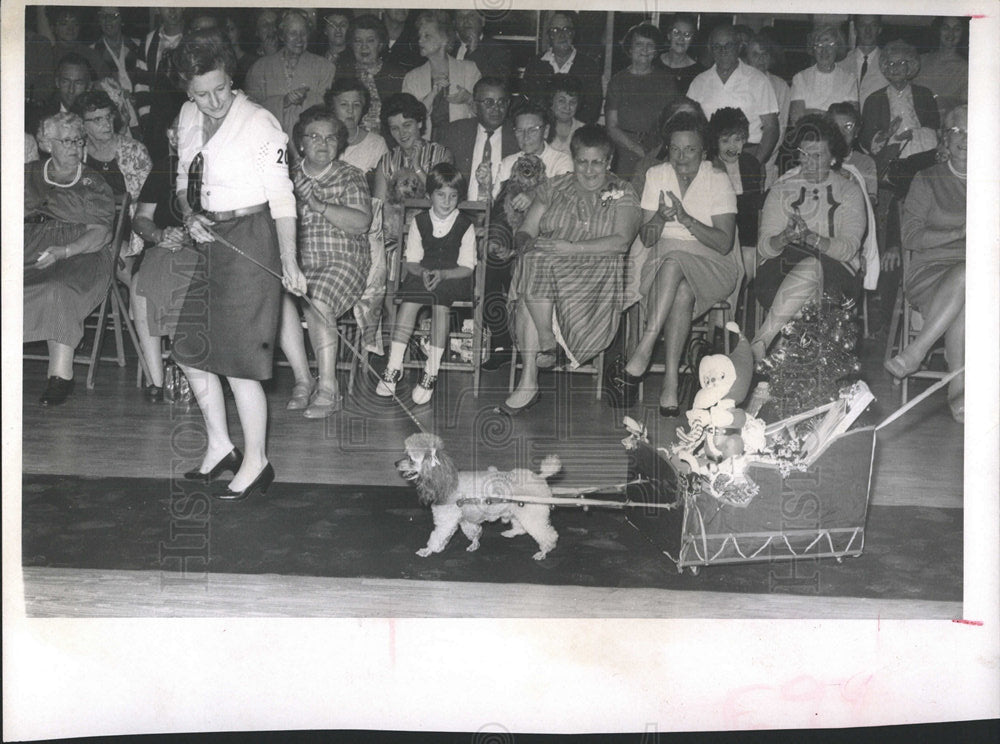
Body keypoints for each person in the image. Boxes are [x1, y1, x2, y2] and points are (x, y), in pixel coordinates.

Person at [171, 30, 307, 501]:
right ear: (188, 92)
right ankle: (220, 445)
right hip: (210, 237)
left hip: (253, 237)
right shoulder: (188, 115)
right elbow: (184, 182)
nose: (212, 102)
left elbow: (283, 195)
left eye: (221, 90)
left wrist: (290, 259)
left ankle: (257, 460)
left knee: (238, 362)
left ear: (233, 79)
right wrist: (190, 217)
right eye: (200, 93)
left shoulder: (261, 123)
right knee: (190, 349)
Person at [503, 125, 641, 413]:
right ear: (573, 159)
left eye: (597, 162)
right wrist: (525, 243)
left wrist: (570, 248)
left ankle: (538, 358)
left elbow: (621, 241)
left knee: (534, 272)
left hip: (595, 275)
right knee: (533, 260)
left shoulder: (621, 191)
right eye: (582, 162)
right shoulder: (554, 187)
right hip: (548, 267)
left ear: (609, 161)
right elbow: (527, 230)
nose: (589, 170)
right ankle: (541, 350)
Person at [607, 112, 738, 415]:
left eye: (690, 149)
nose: (681, 157)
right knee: (679, 290)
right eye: (675, 149)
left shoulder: (718, 180)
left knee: (675, 260)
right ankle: (670, 385)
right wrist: (658, 219)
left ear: (704, 152)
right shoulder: (657, 175)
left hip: (712, 263)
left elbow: (724, 243)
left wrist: (686, 219)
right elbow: (648, 238)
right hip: (663, 261)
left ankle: (645, 346)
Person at [280, 107, 373, 418]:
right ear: (301, 143)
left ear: (340, 143)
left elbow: (361, 223)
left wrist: (317, 204)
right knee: (274, 299)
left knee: (317, 296)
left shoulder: (351, 176)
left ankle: (329, 388)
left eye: (331, 138)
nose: (323, 143)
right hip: (298, 262)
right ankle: (303, 380)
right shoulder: (285, 179)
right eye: (315, 137)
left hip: (343, 262)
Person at [751, 115, 867, 362]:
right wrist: (783, 237)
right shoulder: (782, 189)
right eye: (805, 154)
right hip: (780, 271)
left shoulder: (849, 191)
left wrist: (812, 239)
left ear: (834, 158)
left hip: (837, 273)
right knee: (810, 293)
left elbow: (848, 249)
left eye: (818, 156)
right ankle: (805, 375)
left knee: (814, 269)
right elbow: (764, 248)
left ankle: (763, 342)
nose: (809, 162)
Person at [24, 112, 115, 406]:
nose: (75, 147)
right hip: (28, 247)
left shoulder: (93, 182)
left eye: (78, 140)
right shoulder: (27, 174)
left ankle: (60, 375)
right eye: (67, 141)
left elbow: (101, 234)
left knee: (57, 287)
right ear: (47, 143)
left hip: (80, 252)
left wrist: (65, 251)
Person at [885, 106, 967, 423]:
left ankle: (917, 353)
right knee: (967, 277)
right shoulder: (927, 179)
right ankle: (956, 390)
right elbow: (911, 236)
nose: (964, 139)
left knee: (970, 288)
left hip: (982, 277)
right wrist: (958, 233)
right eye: (957, 131)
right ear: (946, 137)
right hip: (930, 271)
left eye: (972, 132)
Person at [483, 101, 574, 370]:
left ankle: (535, 345)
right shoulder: (508, 162)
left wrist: (534, 195)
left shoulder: (561, 159)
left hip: (545, 234)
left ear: (545, 130)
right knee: (491, 263)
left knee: (525, 268)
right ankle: (500, 342)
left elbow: (564, 198)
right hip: (510, 231)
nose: (525, 137)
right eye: (520, 132)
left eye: (532, 130)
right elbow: (496, 205)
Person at [375, 163, 475, 406]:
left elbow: (467, 267)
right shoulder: (419, 221)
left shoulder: (465, 225)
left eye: (453, 196)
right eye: (441, 195)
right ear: (429, 196)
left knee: (441, 308)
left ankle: (431, 372)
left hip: (453, 276)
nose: (447, 201)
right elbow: (410, 261)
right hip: (422, 273)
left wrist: (442, 275)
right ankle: (393, 366)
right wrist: (425, 272)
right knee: (409, 304)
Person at [130, 116, 200, 402]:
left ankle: (193, 370)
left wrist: (189, 235)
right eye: (178, 134)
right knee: (140, 284)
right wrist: (160, 235)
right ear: (170, 137)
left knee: (185, 282)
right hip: (163, 246)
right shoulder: (163, 169)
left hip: (203, 247)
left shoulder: (217, 168)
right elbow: (141, 220)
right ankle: (156, 380)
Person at [71, 90, 151, 261]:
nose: (106, 124)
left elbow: (149, 203)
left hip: (129, 229)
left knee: (113, 258)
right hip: (87, 227)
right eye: (97, 119)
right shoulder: (77, 153)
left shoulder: (134, 151)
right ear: (82, 125)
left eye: (108, 117)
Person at [687, 24, 780, 167]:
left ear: (738, 47)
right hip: (709, 159)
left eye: (728, 45)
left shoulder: (758, 79)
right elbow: (689, 125)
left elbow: (771, 128)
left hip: (748, 154)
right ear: (710, 50)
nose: (723, 51)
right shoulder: (699, 82)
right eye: (717, 46)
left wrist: (755, 163)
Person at [245, 9, 335, 151]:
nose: (299, 39)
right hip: (269, 145)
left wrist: (307, 98)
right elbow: (249, 111)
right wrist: (283, 102)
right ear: (281, 35)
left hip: (311, 146)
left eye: (303, 33)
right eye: (293, 33)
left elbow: (328, 110)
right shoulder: (259, 68)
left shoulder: (325, 67)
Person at [605, 23, 679, 181]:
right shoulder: (617, 81)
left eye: (649, 45)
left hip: (658, 151)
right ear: (630, 49)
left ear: (655, 51)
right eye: (639, 44)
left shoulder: (666, 81)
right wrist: (636, 148)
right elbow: (611, 126)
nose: (644, 50)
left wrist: (655, 152)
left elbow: (672, 122)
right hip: (624, 152)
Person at [402, 11, 480, 141]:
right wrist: (431, 95)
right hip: (426, 147)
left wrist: (469, 99)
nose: (420, 40)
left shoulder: (470, 70)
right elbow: (406, 120)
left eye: (427, 36)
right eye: (420, 36)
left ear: (444, 39)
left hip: (463, 145)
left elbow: (486, 114)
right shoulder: (411, 78)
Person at [437, 77, 518, 202]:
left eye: (502, 102)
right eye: (489, 102)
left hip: (502, 215)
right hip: (461, 211)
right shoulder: (454, 132)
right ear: (475, 106)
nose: (496, 108)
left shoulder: (518, 135)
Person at [521, 12, 604, 125]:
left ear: (573, 34)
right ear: (549, 35)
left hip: (576, 132)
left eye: (566, 29)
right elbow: (528, 102)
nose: (561, 35)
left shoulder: (589, 66)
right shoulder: (535, 65)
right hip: (542, 129)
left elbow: (592, 108)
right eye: (555, 30)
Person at [372, 93, 454, 204]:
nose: (402, 133)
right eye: (395, 128)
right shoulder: (386, 162)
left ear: (419, 123)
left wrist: (417, 167)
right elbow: (379, 208)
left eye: (407, 125)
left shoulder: (441, 155)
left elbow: (444, 200)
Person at [334, 14, 407, 136]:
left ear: (381, 44)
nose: (364, 47)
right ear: (351, 45)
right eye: (358, 41)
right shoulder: (341, 74)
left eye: (370, 40)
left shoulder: (397, 75)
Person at [134, 6, 189, 161]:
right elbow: (141, 84)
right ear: (158, 8)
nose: (172, 10)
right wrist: (146, 118)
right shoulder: (149, 40)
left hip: (186, 113)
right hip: (157, 119)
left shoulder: (193, 37)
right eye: (166, 5)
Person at [709, 107, 763, 250]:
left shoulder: (751, 164)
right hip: (720, 229)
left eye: (737, 139)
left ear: (744, 139)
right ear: (716, 142)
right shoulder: (709, 167)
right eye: (725, 141)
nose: (732, 147)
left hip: (748, 235)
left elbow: (757, 208)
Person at [745, 29, 791, 188]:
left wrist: (761, 158)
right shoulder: (740, 82)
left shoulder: (781, 86)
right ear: (747, 58)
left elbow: (781, 128)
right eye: (755, 54)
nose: (760, 59)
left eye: (765, 54)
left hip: (768, 161)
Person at [789, 25, 858, 126]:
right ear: (813, 49)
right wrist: (833, 117)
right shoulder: (800, 78)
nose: (824, 51)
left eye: (830, 45)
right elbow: (796, 119)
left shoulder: (849, 79)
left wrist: (809, 112)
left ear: (838, 48)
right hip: (808, 136)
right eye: (819, 45)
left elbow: (850, 120)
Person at [326, 78, 390, 184]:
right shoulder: (323, 140)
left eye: (356, 105)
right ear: (333, 107)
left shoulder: (377, 144)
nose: (350, 110)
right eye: (344, 104)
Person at [914, 17, 969, 120]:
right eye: (945, 28)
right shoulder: (920, 60)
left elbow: (964, 109)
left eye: (957, 29)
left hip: (945, 127)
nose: (950, 33)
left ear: (963, 33)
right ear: (938, 30)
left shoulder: (967, 69)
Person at [837, 15, 889, 111]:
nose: (868, 30)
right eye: (862, 25)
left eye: (873, 25)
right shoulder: (841, 63)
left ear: (880, 29)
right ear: (855, 30)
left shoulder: (889, 64)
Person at [454, 9, 513, 85]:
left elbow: (497, 84)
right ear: (454, 23)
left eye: (471, 15)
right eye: (460, 16)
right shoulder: (448, 48)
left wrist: (474, 51)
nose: (466, 20)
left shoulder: (499, 50)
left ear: (482, 21)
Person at [655, 14, 705, 95]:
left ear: (692, 40)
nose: (681, 38)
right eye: (676, 32)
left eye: (687, 35)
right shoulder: (654, 62)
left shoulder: (699, 72)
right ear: (669, 35)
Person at [546, 74, 586, 155]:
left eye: (573, 102)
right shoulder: (543, 129)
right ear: (551, 101)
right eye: (561, 101)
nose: (567, 107)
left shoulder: (585, 131)